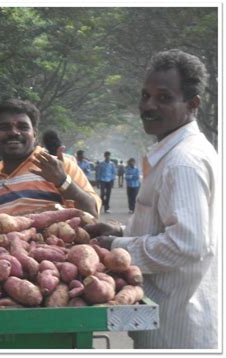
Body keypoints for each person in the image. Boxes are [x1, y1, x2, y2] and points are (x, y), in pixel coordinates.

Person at [85, 49, 218, 349]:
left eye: (163, 97)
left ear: (193, 103)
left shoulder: (183, 162)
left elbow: (186, 244)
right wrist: (120, 232)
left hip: (177, 329)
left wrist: (118, 247)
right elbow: (171, 226)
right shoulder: (173, 154)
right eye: (145, 95)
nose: (148, 105)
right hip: (171, 320)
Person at [0, 99, 101, 222]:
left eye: (22, 127)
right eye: (5, 127)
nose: (14, 132)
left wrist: (63, 182)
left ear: (34, 134)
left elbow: (92, 214)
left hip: (59, 256)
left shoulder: (61, 168)